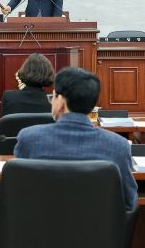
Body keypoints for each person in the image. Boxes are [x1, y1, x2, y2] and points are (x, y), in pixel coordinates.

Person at [14, 67, 137, 210]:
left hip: (39, 222)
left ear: (61, 101)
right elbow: (129, 202)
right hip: (97, 223)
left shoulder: (28, 138)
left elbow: (18, 192)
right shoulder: (119, 145)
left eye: (53, 97)